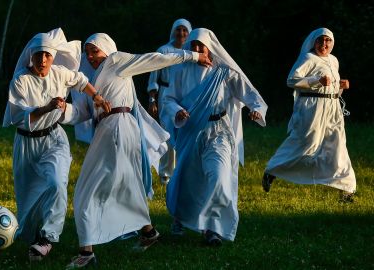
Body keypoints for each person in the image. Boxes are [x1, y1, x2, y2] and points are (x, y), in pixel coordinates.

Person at [66, 33, 212, 269]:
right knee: (125, 183)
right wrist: (57, 112)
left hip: (118, 127)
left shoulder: (116, 60)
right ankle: (148, 231)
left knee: (88, 187)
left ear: (107, 49)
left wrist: (193, 55)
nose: (91, 56)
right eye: (88, 52)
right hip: (110, 130)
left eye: (95, 50)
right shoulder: (91, 79)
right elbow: (81, 113)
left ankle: (86, 251)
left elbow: (154, 59)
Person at [2, 28, 109, 261]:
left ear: (53, 56)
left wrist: (96, 96)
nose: (43, 60)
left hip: (54, 140)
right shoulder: (20, 80)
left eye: (48, 55)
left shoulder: (60, 73)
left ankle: (48, 238)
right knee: (28, 200)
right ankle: (34, 238)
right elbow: (19, 114)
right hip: (27, 145)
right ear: (32, 55)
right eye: (39, 54)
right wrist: (47, 107)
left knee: (56, 182)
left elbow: (81, 80)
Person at [161, 28, 268, 245]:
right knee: (188, 180)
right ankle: (181, 217)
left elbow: (251, 94)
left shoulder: (225, 71)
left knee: (219, 177)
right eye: (193, 46)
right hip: (191, 132)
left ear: (210, 47)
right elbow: (168, 99)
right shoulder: (181, 69)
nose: (197, 50)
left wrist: (256, 110)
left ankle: (212, 228)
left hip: (218, 132)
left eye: (201, 45)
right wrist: (177, 111)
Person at [262, 27, 356, 202]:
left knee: (338, 145)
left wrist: (341, 87)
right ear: (314, 42)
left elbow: (331, 88)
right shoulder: (308, 58)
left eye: (328, 41)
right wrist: (316, 81)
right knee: (307, 143)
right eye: (321, 41)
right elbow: (291, 81)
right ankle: (272, 170)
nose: (324, 44)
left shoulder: (333, 60)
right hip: (312, 109)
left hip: (332, 108)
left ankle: (347, 189)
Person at [147, 18, 192, 184]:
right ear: (173, 31)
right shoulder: (164, 50)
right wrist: (152, 99)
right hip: (166, 94)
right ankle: (165, 172)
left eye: (185, 30)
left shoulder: (191, 52)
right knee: (168, 132)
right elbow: (154, 77)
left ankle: (181, 171)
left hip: (185, 96)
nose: (181, 33)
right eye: (178, 30)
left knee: (184, 133)